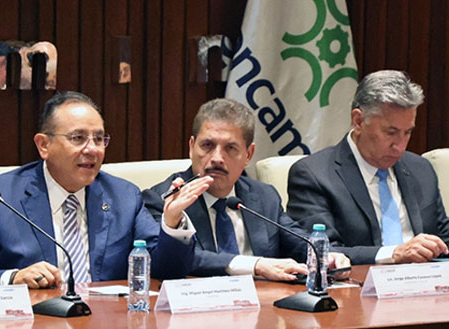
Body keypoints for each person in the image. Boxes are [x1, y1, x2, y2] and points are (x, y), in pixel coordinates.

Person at [0, 91, 212, 288]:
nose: (92, 149)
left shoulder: (124, 197)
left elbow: (167, 271)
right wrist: (13, 277)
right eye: (78, 138)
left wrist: (172, 222)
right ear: (43, 145)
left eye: (99, 138)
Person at [144, 98, 349, 281]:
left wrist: (326, 257)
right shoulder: (164, 199)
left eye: (230, 148)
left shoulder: (263, 197)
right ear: (191, 147)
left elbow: (297, 241)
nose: (216, 158)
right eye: (207, 145)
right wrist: (256, 266)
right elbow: (182, 260)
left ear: (249, 154)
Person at [287, 70, 449, 264]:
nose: (400, 145)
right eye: (391, 132)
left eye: (407, 132)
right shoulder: (313, 175)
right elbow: (321, 251)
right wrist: (393, 254)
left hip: (427, 288)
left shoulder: (421, 169)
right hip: (358, 288)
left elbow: (443, 239)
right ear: (358, 121)